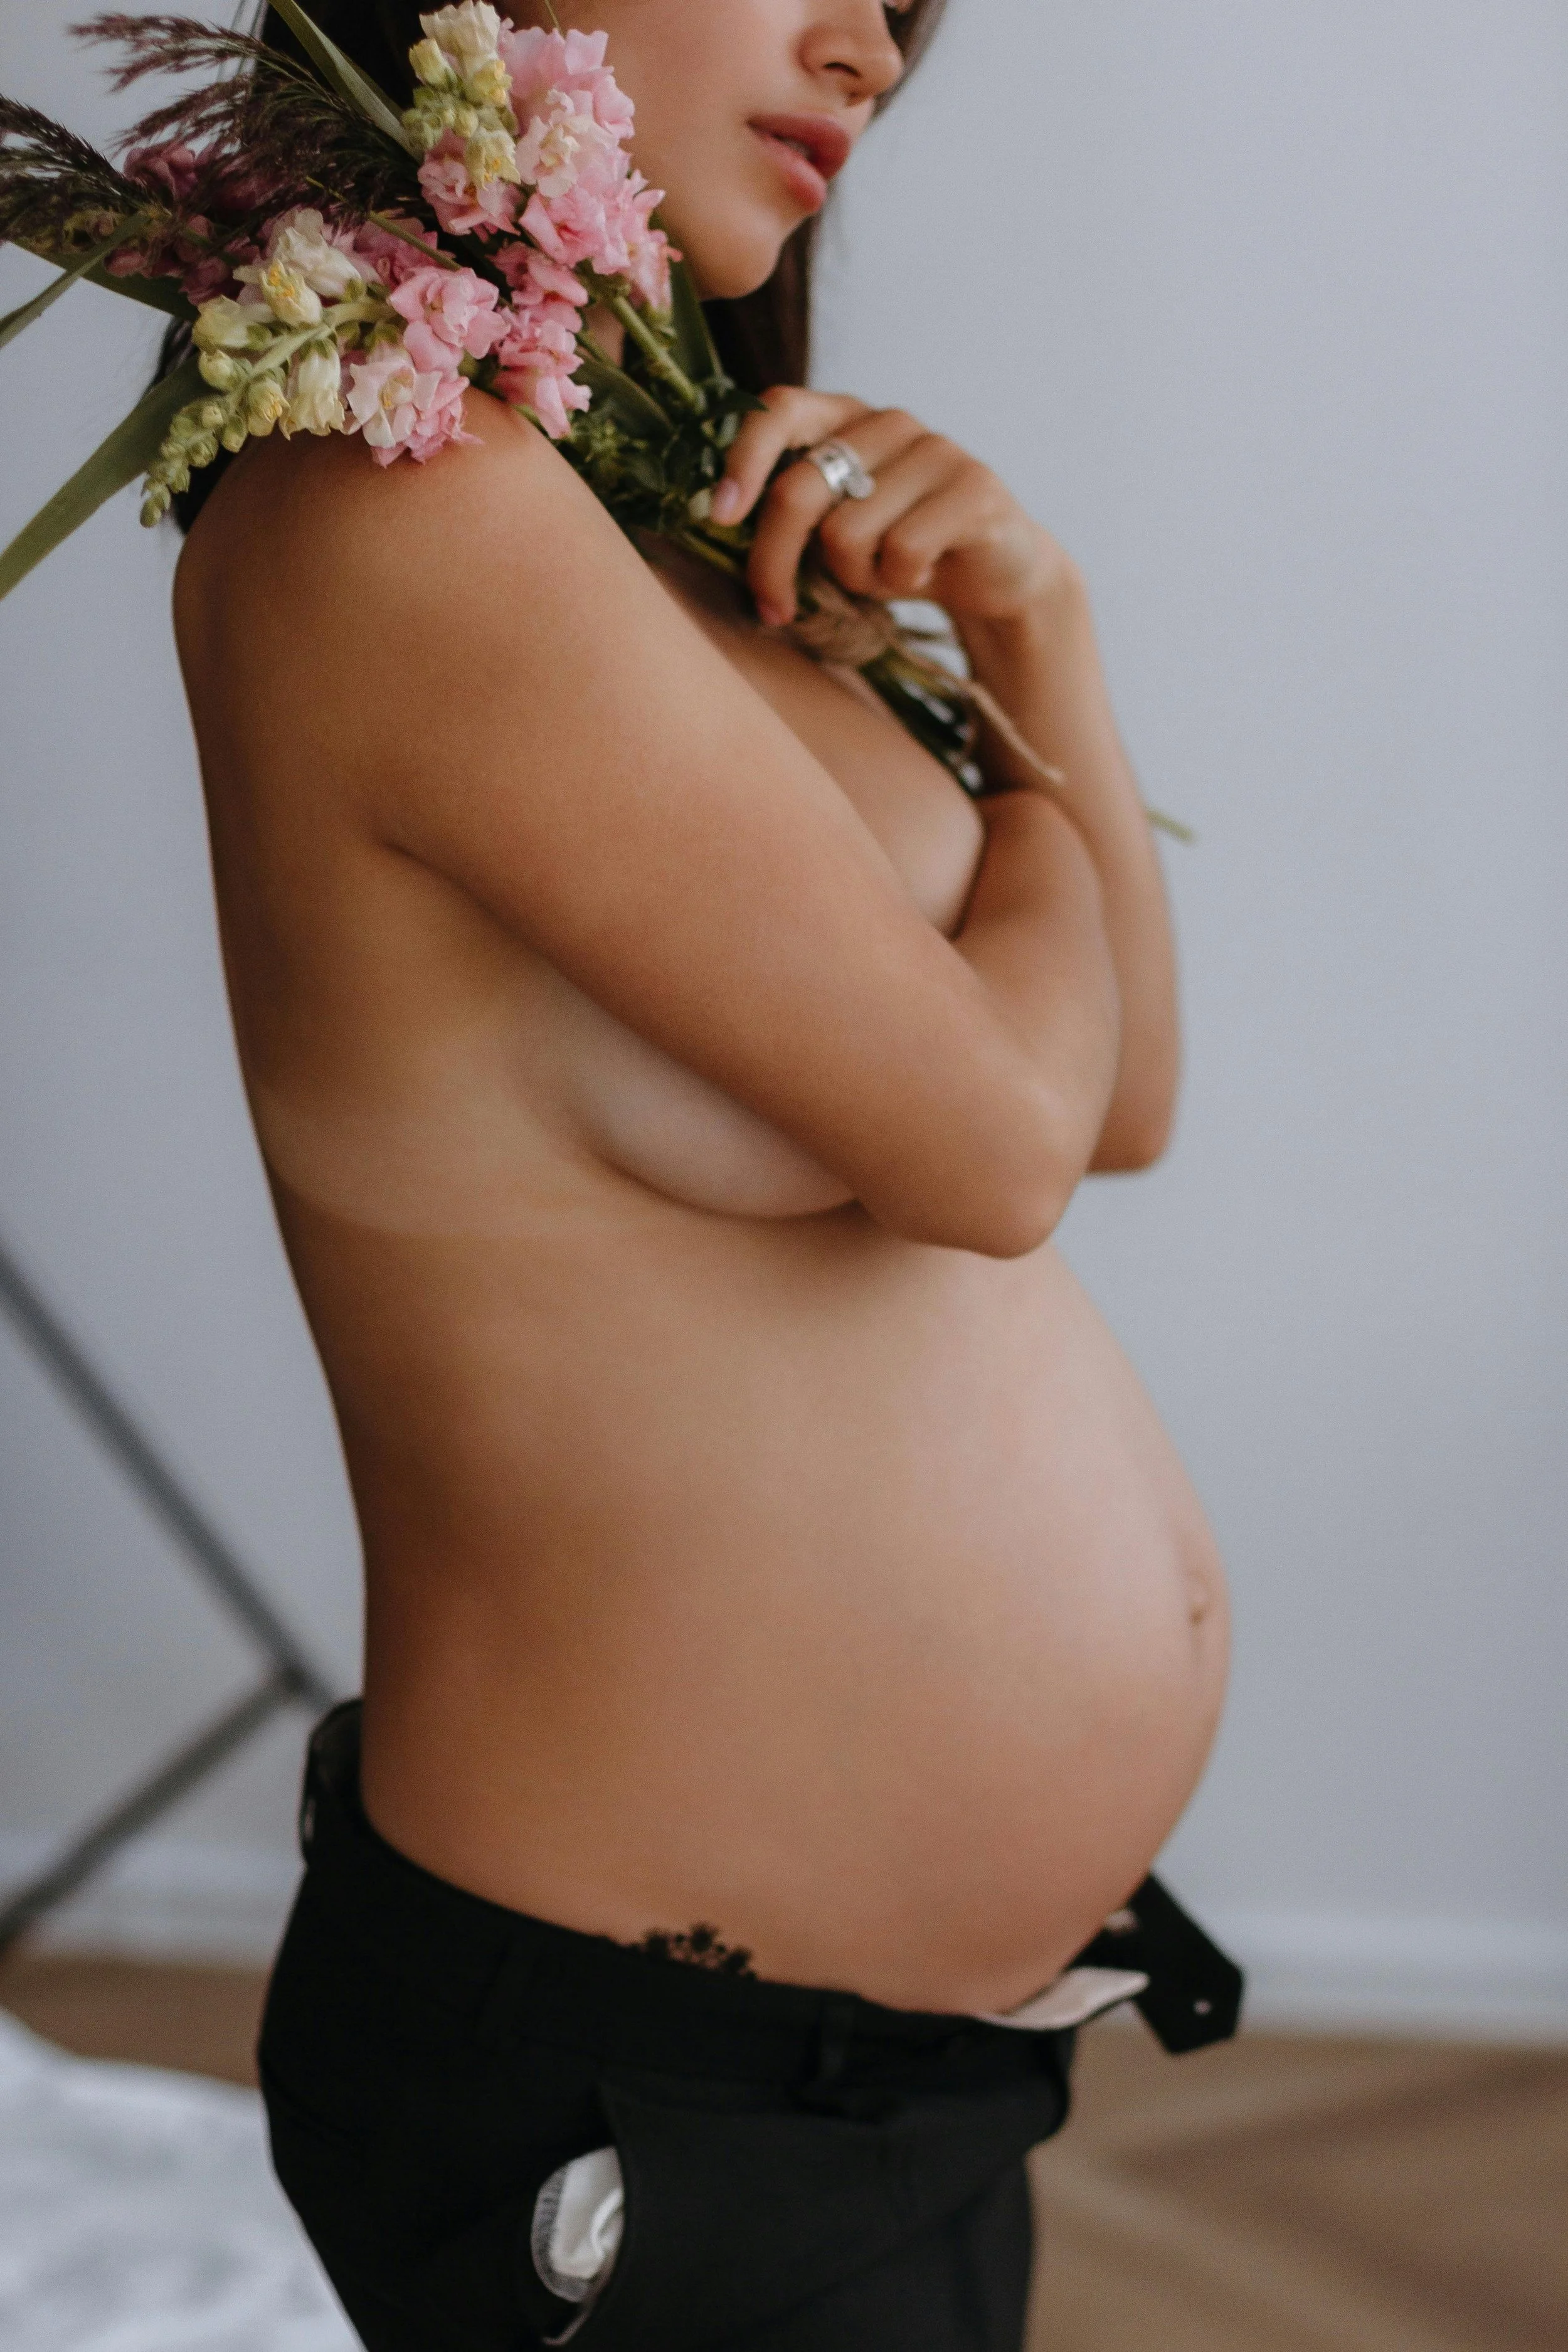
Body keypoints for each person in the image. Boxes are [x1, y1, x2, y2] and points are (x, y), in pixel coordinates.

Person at [165, 3, 1233, 2343]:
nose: (869, 42)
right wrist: (1033, 835)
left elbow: (1116, 1088)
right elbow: (989, 1145)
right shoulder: (402, 511)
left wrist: (1034, 621)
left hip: (887, 2059)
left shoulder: (652, 532)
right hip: (629, 2074)